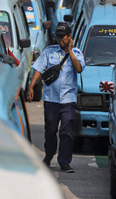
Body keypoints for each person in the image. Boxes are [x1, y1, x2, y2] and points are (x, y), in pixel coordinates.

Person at [27, 22, 85, 173]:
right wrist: (31, 86)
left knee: (66, 132)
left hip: (68, 100)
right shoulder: (49, 51)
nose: (60, 40)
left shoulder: (77, 53)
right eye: (58, 37)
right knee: (50, 130)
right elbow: (39, 69)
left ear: (69, 37)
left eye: (63, 37)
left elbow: (79, 69)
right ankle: (49, 155)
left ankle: (64, 161)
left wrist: (71, 52)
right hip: (51, 99)